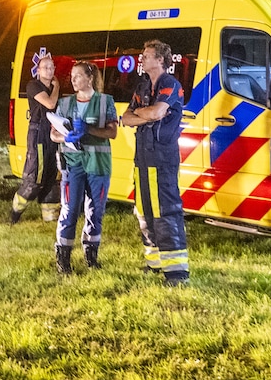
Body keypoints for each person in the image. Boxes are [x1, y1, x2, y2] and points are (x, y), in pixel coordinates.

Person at [120, 40, 189, 287]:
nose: (142, 58)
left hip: (162, 159)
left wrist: (144, 113)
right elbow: (126, 119)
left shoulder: (171, 85)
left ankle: (177, 273)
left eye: (147, 55)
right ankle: (154, 263)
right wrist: (143, 114)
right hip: (143, 160)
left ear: (160, 60)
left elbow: (157, 113)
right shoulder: (143, 86)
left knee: (166, 212)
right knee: (144, 211)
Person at [50, 61, 117, 273]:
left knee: (95, 211)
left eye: (78, 76)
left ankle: (91, 256)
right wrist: (65, 136)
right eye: (72, 76)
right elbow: (53, 134)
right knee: (69, 211)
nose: (73, 80)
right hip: (73, 165)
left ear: (89, 78)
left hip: (98, 166)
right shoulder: (64, 103)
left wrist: (87, 129)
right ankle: (63, 258)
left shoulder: (106, 101)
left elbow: (112, 132)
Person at [9, 54, 61, 224]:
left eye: (52, 67)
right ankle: (14, 214)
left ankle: (50, 220)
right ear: (38, 70)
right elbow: (51, 104)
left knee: (52, 177)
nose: (49, 70)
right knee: (35, 179)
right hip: (38, 134)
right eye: (45, 67)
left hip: (52, 134)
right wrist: (57, 86)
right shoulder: (33, 86)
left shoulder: (51, 88)